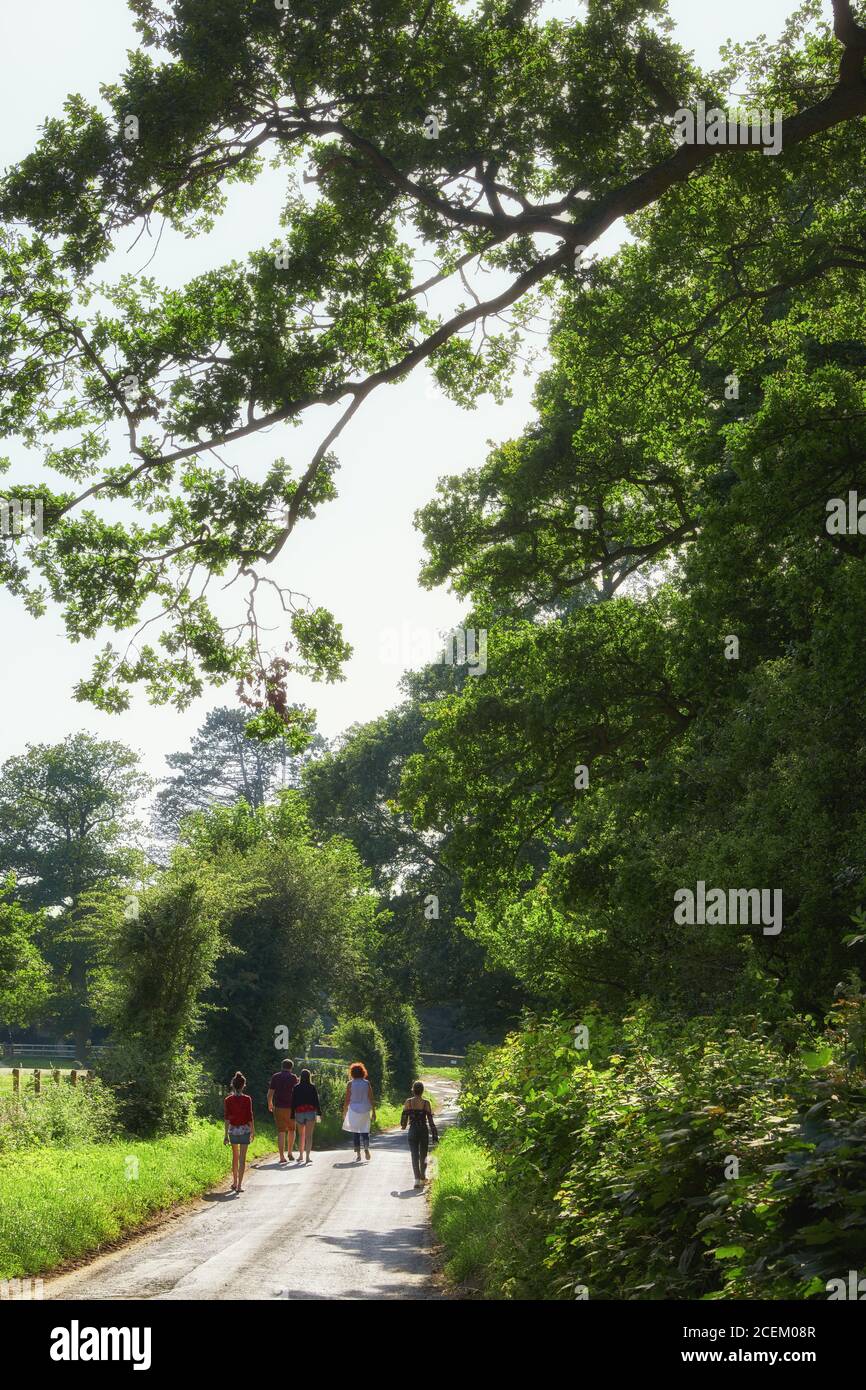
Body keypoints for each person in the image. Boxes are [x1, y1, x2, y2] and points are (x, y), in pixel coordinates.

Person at [401, 1081, 438, 1189]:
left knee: (414, 1155)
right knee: (423, 1155)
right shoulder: (426, 1103)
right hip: (423, 1130)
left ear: (413, 1090)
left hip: (413, 1129)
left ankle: (417, 1179)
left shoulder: (408, 1102)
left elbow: (404, 1116)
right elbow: (430, 1120)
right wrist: (434, 1133)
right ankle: (423, 1177)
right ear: (422, 1091)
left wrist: (403, 1125)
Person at [224, 1070, 255, 1193]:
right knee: (242, 1158)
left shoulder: (228, 1100)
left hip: (233, 1131)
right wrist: (253, 1131)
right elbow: (250, 1116)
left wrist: (225, 1135)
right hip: (244, 1130)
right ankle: (239, 1186)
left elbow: (226, 1118)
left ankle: (234, 1182)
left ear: (233, 1084)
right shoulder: (247, 1099)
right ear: (244, 1085)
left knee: (235, 1157)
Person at [341, 1062, 377, 1162]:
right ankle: (366, 1148)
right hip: (365, 1109)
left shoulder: (350, 1084)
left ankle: (358, 1154)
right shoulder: (367, 1083)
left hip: (353, 1110)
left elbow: (347, 1099)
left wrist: (344, 1111)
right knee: (365, 1130)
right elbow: (371, 1098)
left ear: (352, 1072)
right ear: (363, 1072)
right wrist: (374, 1112)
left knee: (355, 1131)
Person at [267, 1058, 300, 1165]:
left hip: (279, 1107)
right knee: (292, 1130)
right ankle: (290, 1152)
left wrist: (270, 1103)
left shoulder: (275, 1077)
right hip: (291, 1107)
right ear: (291, 1067)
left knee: (281, 1131)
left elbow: (270, 1093)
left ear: (282, 1066)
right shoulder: (293, 1077)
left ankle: (281, 1156)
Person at [290, 1068, 321, 1164]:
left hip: (299, 1112)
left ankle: (300, 1156)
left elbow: (293, 1101)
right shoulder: (312, 1087)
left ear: (300, 1077)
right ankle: (307, 1157)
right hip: (310, 1112)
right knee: (309, 1136)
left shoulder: (296, 1087)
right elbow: (316, 1101)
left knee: (301, 1135)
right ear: (309, 1077)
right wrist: (319, 1112)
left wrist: (292, 1114)